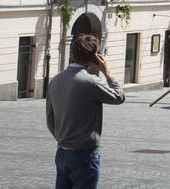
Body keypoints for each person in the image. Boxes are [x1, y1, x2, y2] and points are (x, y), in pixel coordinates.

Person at [45, 33, 126, 189]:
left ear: (73, 54)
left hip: (61, 152)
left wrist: (64, 138)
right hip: (84, 155)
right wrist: (106, 72)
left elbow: (50, 120)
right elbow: (119, 97)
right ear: (94, 57)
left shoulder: (55, 80)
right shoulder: (90, 82)